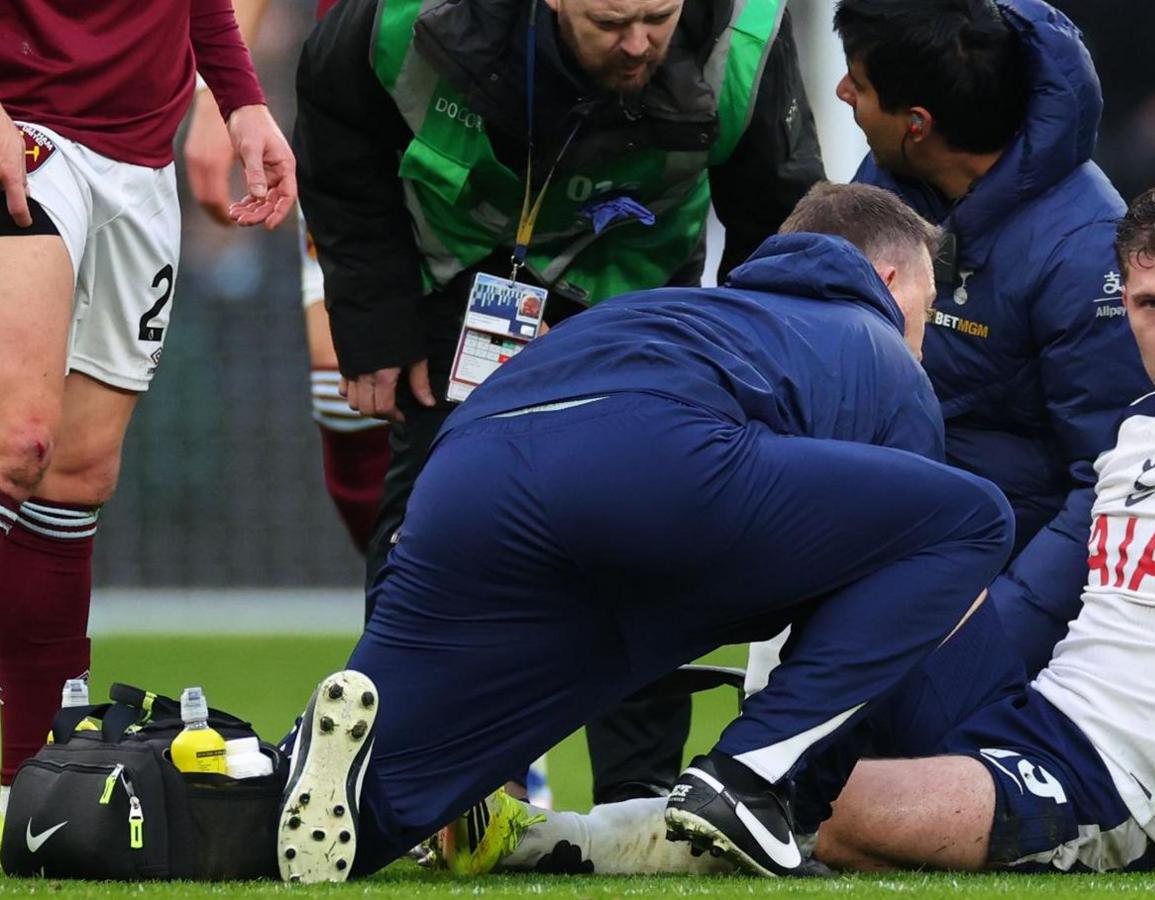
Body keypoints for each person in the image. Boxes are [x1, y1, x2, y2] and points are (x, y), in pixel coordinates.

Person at [484, 180, 1155, 878]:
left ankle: (554, 840)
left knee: (824, 806)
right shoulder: (1134, 429)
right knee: (844, 614)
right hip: (1034, 714)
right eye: (1150, 304)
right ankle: (541, 807)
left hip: (1115, 787)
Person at [273, 183, 1016, 883]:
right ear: (887, 280)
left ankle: (238, 781)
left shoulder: (678, 310)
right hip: (653, 466)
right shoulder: (878, 351)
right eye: (925, 312)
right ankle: (750, 781)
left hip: (466, 471)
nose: (924, 343)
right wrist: (803, 800)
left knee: (361, 816)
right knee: (973, 519)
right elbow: (879, 592)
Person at [295, 0, 824, 808]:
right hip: (467, 281)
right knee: (434, 525)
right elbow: (336, 131)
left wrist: (751, 375)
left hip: (640, 286)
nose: (639, 43)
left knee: (652, 526)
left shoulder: (745, 32)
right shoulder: (406, 17)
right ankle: (431, 790)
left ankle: (637, 796)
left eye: (657, 16)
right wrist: (373, 319)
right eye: (610, 23)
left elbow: (775, 220)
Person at [0, 0, 294, 874]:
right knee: (10, 442)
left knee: (75, 476)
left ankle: (35, 805)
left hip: (141, 156)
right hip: (20, 119)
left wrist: (239, 99)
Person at [829, 0, 1154, 673]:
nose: (841, 94)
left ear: (918, 124)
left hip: (993, 607)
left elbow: (1111, 479)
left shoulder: (1084, 251)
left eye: (857, 84)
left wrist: (993, 635)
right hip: (878, 567)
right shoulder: (886, 184)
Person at [183, 0, 392, 556]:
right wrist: (218, 96)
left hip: (492, 105)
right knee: (349, 388)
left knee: (485, 377)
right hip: (356, 101)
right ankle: (402, 586)